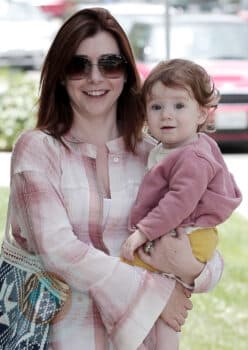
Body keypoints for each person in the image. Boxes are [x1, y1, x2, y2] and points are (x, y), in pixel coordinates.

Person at [0, 9, 224, 350]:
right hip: (59, 339)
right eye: (79, 65)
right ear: (61, 75)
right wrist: (157, 295)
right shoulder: (38, 149)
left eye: (110, 64)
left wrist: (191, 268)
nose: (95, 78)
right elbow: (59, 249)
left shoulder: (158, 155)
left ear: (126, 74)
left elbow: (205, 240)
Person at [121, 58, 242, 347]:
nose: (167, 116)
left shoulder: (193, 157)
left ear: (202, 114)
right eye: (156, 107)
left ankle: (134, 334)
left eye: (179, 106)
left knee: (125, 270)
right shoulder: (171, 148)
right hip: (183, 232)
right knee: (158, 299)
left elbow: (178, 203)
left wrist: (143, 232)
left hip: (189, 237)